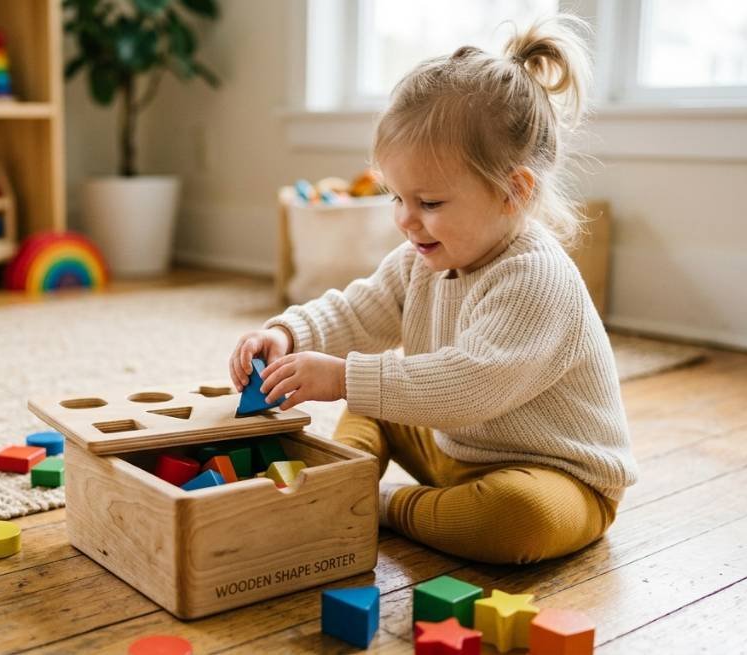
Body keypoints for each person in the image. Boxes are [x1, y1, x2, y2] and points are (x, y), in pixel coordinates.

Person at [229, 15, 637, 564]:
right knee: (372, 404)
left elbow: (468, 386)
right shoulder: (421, 260)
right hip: (453, 446)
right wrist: (288, 333)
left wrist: (344, 377)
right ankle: (339, 485)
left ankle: (386, 505)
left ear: (512, 192)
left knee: (516, 520)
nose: (405, 220)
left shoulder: (536, 279)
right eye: (395, 197)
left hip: (554, 475)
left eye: (430, 203)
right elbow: (358, 312)